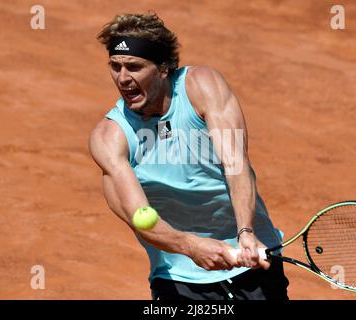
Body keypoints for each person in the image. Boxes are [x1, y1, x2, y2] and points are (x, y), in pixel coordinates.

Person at [89, 12, 289, 300]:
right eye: (115, 66)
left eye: (134, 67)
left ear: (163, 68)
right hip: (179, 278)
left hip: (252, 257)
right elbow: (139, 217)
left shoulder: (201, 87)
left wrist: (245, 231)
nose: (123, 79)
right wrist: (190, 246)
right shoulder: (109, 138)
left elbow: (236, 163)